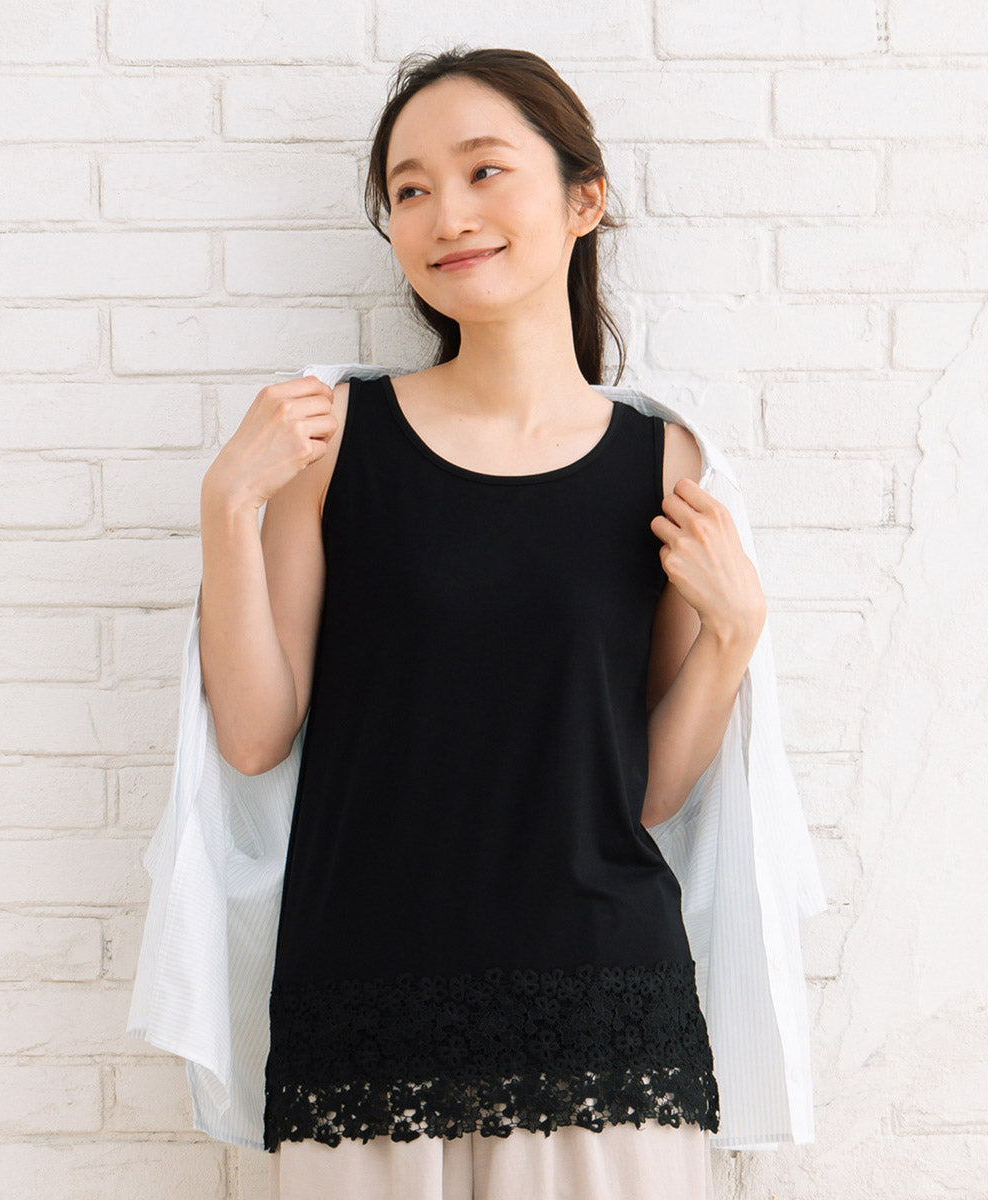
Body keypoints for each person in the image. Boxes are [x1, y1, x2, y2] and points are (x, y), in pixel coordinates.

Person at [197, 46, 769, 1200]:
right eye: (409, 190)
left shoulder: (662, 461)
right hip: (364, 1011)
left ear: (582, 199)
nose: (445, 214)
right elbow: (253, 737)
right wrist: (227, 507)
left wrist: (733, 637)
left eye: (482, 171)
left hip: (603, 1015)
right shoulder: (336, 443)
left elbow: (645, 796)